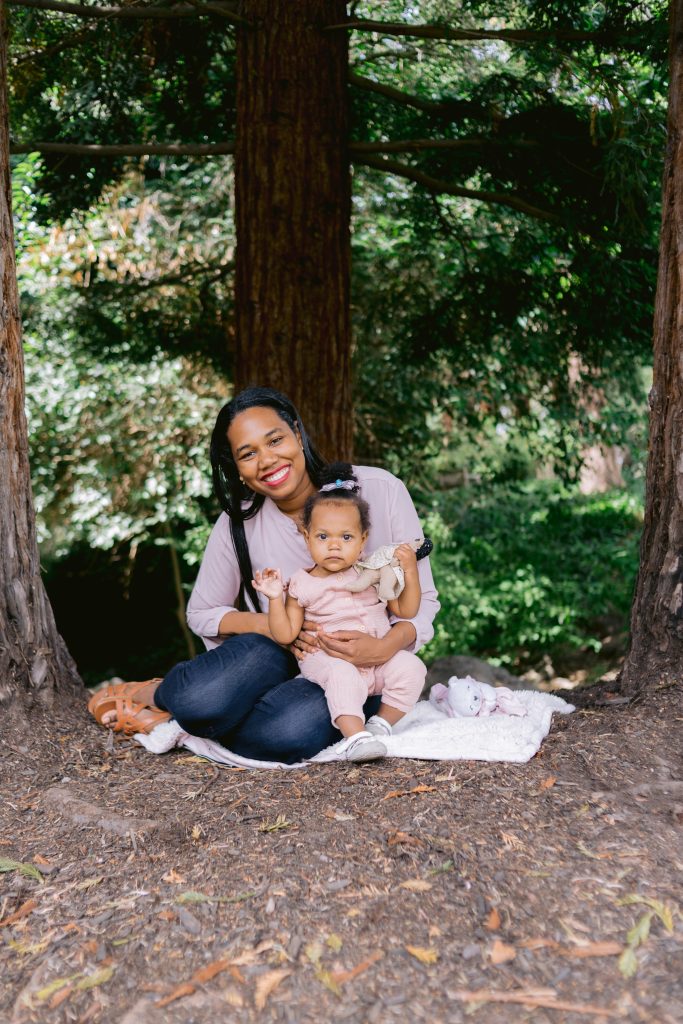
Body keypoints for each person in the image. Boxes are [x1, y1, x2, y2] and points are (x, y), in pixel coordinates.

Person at [88, 386, 439, 764]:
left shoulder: (381, 491)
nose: (268, 460)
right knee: (198, 699)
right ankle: (159, 696)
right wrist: (276, 627)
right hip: (276, 654)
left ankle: (194, 722)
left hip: (367, 662)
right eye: (248, 454)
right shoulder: (238, 525)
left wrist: (385, 647)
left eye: (275, 440)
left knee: (285, 734)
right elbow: (202, 613)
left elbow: (424, 602)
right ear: (237, 468)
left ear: (297, 433)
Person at [252, 463, 427, 762]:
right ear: (306, 536)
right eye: (323, 537)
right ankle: (355, 738)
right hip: (328, 660)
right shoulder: (302, 583)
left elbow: (406, 610)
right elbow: (285, 633)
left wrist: (410, 570)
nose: (334, 546)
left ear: (363, 539)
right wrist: (274, 598)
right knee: (342, 674)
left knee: (412, 667)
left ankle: (381, 724)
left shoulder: (372, 572)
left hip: (377, 661)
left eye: (346, 538)